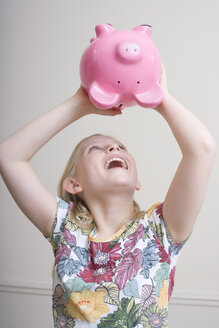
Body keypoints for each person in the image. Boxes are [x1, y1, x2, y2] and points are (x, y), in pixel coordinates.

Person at [0, 65, 217, 328]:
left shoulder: (161, 229)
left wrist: (161, 100)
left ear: (136, 181)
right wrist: (80, 104)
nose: (114, 147)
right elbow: (9, 157)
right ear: (73, 184)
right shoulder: (64, 229)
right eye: (95, 148)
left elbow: (202, 149)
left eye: (120, 147)